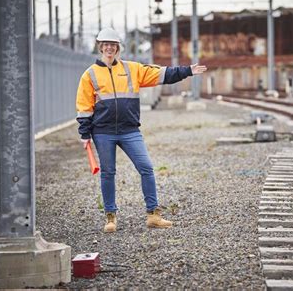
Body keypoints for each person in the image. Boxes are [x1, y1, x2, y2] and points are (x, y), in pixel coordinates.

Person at [76, 28, 207, 233]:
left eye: (113, 45)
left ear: (118, 48)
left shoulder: (132, 69)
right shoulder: (90, 74)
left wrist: (187, 70)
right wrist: (85, 134)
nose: (109, 48)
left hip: (130, 130)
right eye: (106, 45)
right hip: (103, 132)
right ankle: (110, 217)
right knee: (108, 173)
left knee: (146, 167)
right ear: (100, 47)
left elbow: (162, 74)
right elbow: (84, 106)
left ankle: (153, 215)